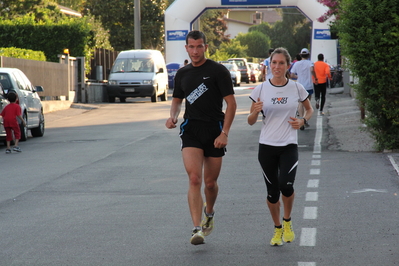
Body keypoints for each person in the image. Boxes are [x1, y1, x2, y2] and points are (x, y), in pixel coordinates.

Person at [165, 30, 237, 245]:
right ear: (186, 48)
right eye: (191, 47)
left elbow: (231, 104)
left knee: (210, 183)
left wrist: (225, 133)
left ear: (205, 47)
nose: (195, 51)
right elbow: (177, 100)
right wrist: (173, 116)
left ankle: (210, 212)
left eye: (199, 46)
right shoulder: (183, 74)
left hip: (215, 131)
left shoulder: (218, 71)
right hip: (191, 130)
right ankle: (196, 229)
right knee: (195, 178)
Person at [247, 47, 313, 246]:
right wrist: (255, 112)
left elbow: (309, 110)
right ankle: (277, 229)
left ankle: (287, 221)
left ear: (287, 65)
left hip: (288, 145)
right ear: (270, 64)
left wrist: (302, 121)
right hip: (266, 147)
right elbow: (250, 121)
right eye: (273, 63)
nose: (277, 66)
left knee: (286, 185)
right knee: (272, 192)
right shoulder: (260, 89)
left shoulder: (296, 88)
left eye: (281, 63)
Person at [290, 48, 317, 130]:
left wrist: (298, 76)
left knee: (300, 103)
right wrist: (315, 77)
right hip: (308, 86)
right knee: (307, 104)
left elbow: (291, 75)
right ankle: (304, 120)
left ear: (300, 55)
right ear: (308, 54)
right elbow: (312, 70)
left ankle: (301, 119)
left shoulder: (296, 64)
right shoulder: (310, 63)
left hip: (299, 86)